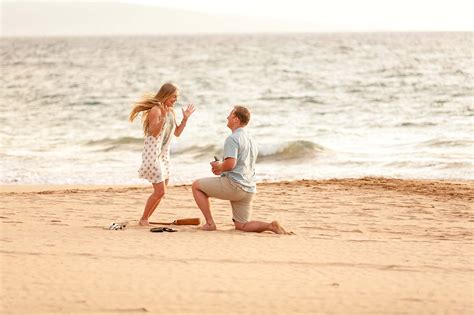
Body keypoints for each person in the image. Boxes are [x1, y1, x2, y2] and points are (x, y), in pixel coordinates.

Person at [192, 105, 290, 234]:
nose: (227, 117)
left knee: (196, 186)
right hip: (249, 189)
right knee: (242, 225)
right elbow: (241, 165)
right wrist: (222, 168)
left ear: (236, 120)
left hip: (234, 186)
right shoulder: (252, 140)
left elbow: (231, 164)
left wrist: (219, 166)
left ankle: (210, 223)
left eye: (230, 115)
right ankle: (270, 226)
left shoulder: (232, 138)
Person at [129, 82, 195, 226]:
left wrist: (185, 119)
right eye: (173, 97)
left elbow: (177, 133)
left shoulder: (170, 111)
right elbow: (155, 132)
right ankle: (144, 219)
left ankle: (144, 219)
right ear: (165, 95)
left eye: (176, 97)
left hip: (164, 157)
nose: (175, 100)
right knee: (160, 192)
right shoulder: (156, 110)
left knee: (162, 192)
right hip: (153, 156)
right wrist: (163, 117)